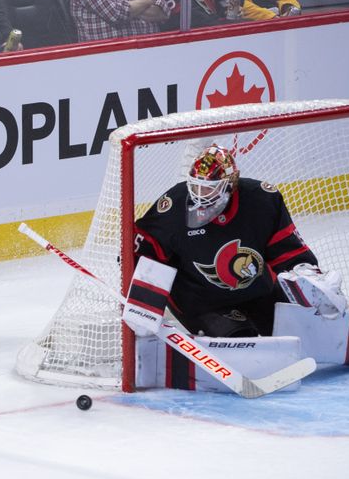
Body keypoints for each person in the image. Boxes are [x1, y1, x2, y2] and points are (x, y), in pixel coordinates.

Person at [133, 144, 325, 339]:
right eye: (196, 186)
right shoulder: (173, 207)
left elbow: (287, 251)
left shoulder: (261, 200)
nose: (200, 196)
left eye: (209, 189)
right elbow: (144, 253)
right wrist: (143, 306)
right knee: (241, 342)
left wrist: (309, 279)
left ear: (231, 183)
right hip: (203, 302)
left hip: (257, 292)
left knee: (299, 333)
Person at [69, 0, 171, 42]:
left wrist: (129, 7)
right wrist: (147, 0)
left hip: (152, 54)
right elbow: (116, 14)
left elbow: (164, 11)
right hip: (107, 62)